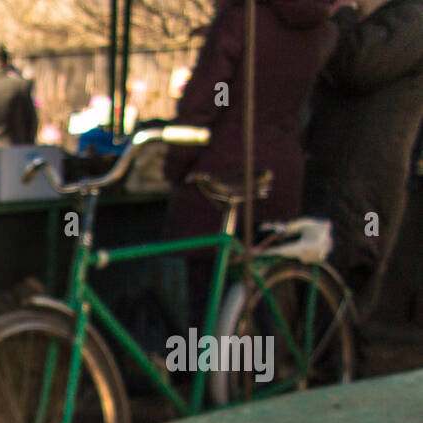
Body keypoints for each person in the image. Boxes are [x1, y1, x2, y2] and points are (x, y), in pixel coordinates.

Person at [163, 0, 338, 316]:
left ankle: (200, 362)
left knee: (207, 307)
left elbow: (202, 104)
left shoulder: (240, 21)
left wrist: (176, 164)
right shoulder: (320, 28)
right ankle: (260, 363)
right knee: (263, 294)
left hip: (222, 173)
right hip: (280, 174)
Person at [303, 0, 423, 315]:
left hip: (364, 183)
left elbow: (360, 63)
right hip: (339, 175)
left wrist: (342, 15)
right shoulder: (382, 20)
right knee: (324, 282)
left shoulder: (414, 17)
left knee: (346, 280)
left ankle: (341, 359)